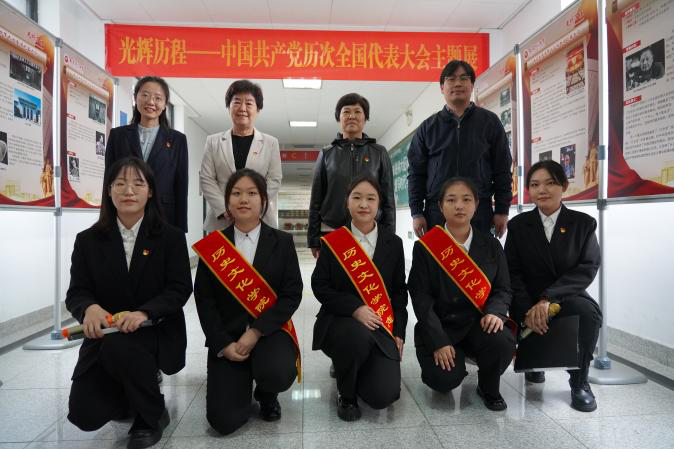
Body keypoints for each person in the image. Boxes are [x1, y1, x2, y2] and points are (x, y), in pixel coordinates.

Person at [65, 157, 192, 449]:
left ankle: (152, 415)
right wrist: (89, 308)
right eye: (120, 183)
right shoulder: (88, 240)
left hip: (155, 329)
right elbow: (77, 292)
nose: (129, 191)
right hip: (105, 335)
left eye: (138, 183)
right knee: (85, 414)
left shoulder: (170, 238)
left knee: (120, 346)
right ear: (109, 191)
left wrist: (144, 312)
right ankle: (131, 393)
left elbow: (179, 289)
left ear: (150, 191)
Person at [193, 168, 302, 435]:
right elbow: (204, 300)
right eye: (236, 193)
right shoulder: (213, 246)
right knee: (223, 422)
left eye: (252, 193)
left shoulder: (282, 242)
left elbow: (291, 294)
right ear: (227, 201)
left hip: (268, 332)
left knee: (278, 372)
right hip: (228, 337)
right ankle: (239, 385)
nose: (244, 199)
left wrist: (255, 331)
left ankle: (266, 393)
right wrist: (222, 344)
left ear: (263, 200)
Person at [408, 177, 514, 411]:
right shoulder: (426, 247)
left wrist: (495, 312)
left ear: (476, 204)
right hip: (442, 327)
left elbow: (503, 289)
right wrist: (438, 341)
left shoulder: (491, 245)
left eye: (466, 200)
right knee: (443, 380)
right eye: (451, 200)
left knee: (503, 341)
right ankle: (453, 364)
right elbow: (421, 299)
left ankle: (487, 385)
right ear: (440, 206)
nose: (459, 206)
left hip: (479, 324)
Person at [504, 160, 601, 412]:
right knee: (524, 310)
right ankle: (534, 363)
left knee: (589, 313)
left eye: (550, 183)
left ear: (564, 186)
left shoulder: (583, 223)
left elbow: (587, 267)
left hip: (565, 295)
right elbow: (512, 271)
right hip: (527, 295)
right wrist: (529, 305)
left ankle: (579, 381)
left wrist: (548, 298)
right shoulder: (518, 225)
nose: (542, 190)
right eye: (535, 185)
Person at [312, 174, 407, 421]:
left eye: (370, 198)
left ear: (379, 203)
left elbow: (399, 292)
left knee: (383, 396)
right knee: (355, 337)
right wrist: (355, 308)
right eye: (357, 197)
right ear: (347, 202)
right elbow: (319, 286)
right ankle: (346, 394)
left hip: (380, 323)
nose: (364, 204)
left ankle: (357, 367)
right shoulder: (334, 242)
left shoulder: (394, 243)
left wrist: (399, 330)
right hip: (340, 321)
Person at [407, 60, 512, 238]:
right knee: (438, 256)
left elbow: (502, 169)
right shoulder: (428, 128)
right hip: (437, 212)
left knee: (478, 256)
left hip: (478, 211)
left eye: (464, 78)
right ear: (442, 87)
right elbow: (416, 174)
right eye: (451, 79)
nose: (457, 84)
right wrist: (417, 212)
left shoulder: (490, 122)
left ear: (472, 85)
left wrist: (502, 210)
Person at [308, 93, 395, 258]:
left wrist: (389, 238)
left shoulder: (379, 153)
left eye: (357, 111)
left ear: (365, 118)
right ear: (339, 118)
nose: (352, 116)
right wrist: (313, 239)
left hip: (370, 234)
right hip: (332, 231)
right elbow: (316, 200)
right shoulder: (326, 154)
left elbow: (388, 199)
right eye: (346, 112)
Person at [105, 76, 189, 232]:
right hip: (125, 212)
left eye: (158, 98)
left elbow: (181, 186)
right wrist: (106, 219)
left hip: (164, 214)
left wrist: (180, 229)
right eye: (145, 95)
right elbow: (109, 180)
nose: (150, 101)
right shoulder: (118, 135)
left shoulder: (177, 140)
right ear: (135, 98)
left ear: (164, 104)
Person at [200, 80, 282, 232]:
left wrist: (255, 206)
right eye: (237, 102)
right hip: (222, 219)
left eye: (249, 103)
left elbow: (274, 180)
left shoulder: (270, 143)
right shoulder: (213, 142)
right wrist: (225, 208)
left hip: (259, 218)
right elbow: (206, 179)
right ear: (228, 107)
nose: (242, 108)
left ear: (258, 109)